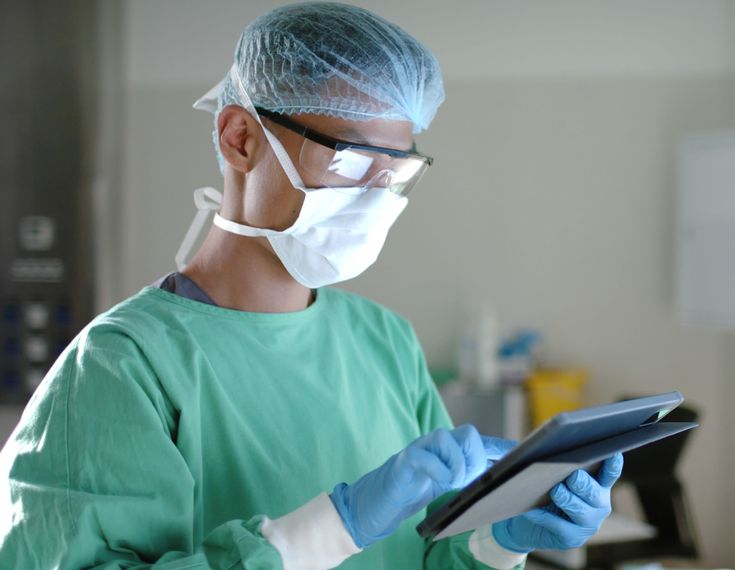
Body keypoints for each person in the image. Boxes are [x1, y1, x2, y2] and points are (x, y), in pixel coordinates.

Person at [0, 3, 621, 568]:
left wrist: (497, 542)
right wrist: (329, 530)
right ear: (240, 138)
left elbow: (429, 555)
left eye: (397, 171)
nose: (378, 198)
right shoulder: (121, 367)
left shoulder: (384, 341)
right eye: (351, 160)